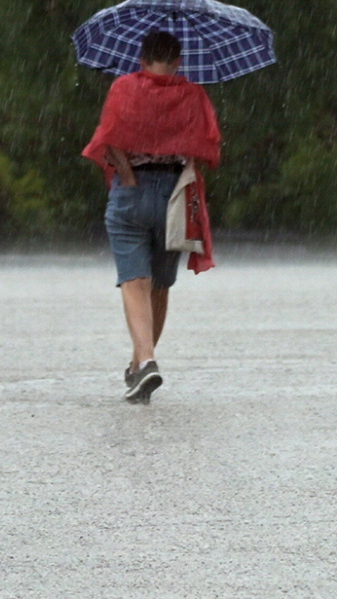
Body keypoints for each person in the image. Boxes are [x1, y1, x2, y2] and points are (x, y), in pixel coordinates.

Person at [81, 30, 222, 404]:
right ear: (178, 60)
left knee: (134, 282)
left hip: (131, 193)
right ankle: (140, 366)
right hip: (174, 197)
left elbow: (108, 137)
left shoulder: (124, 88)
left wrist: (127, 175)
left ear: (141, 59)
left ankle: (144, 361)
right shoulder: (193, 94)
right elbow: (206, 147)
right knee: (159, 285)